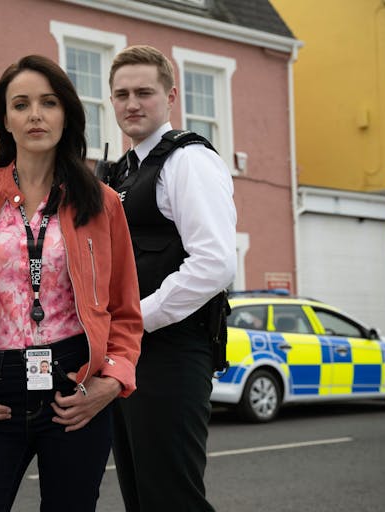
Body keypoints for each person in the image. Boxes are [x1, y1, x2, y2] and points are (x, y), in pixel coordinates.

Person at [0, 54, 143, 512]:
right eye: (21, 104)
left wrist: (110, 382)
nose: (36, 114)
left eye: (48, 102)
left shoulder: (103, 203)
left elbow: (124, 309)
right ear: (6, 119)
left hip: (75, 388)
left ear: (67, 115)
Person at [106, 45, 237, 511]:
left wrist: (134, 319)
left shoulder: (189, 162)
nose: (132, 103)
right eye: (121, 94)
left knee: (171, 499)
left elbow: (215, 262)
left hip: (173, 351)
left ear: (171, 96)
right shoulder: (121, 171)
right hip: (129, 353)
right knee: (141, 496)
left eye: (144, 91)